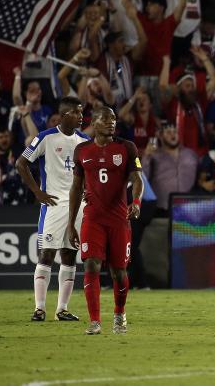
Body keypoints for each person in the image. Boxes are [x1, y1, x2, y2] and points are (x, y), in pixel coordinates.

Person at [68, 107, 144, 335]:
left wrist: (137, 201)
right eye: (106, 119)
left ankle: (119, 313)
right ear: (94, 122)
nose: (112, 123)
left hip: (119, 219)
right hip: (93, 218)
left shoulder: (126, 147)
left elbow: (137, 179)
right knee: (91, 264)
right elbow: (75, 188)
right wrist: (71, 223)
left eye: (114, 119)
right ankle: (94, 321)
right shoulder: (81, 151)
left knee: (118, 271)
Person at [15, 97, 89, 322]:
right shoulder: (45, 137)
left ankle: (61, 310)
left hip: (77, 205)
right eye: (77, 112)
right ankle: (39, 308)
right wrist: (38, 192)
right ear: (65, 114)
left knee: (70, 255)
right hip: (54, 205)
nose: (81, 116)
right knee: (46, 254)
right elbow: (21, 163)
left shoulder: (84, 140)